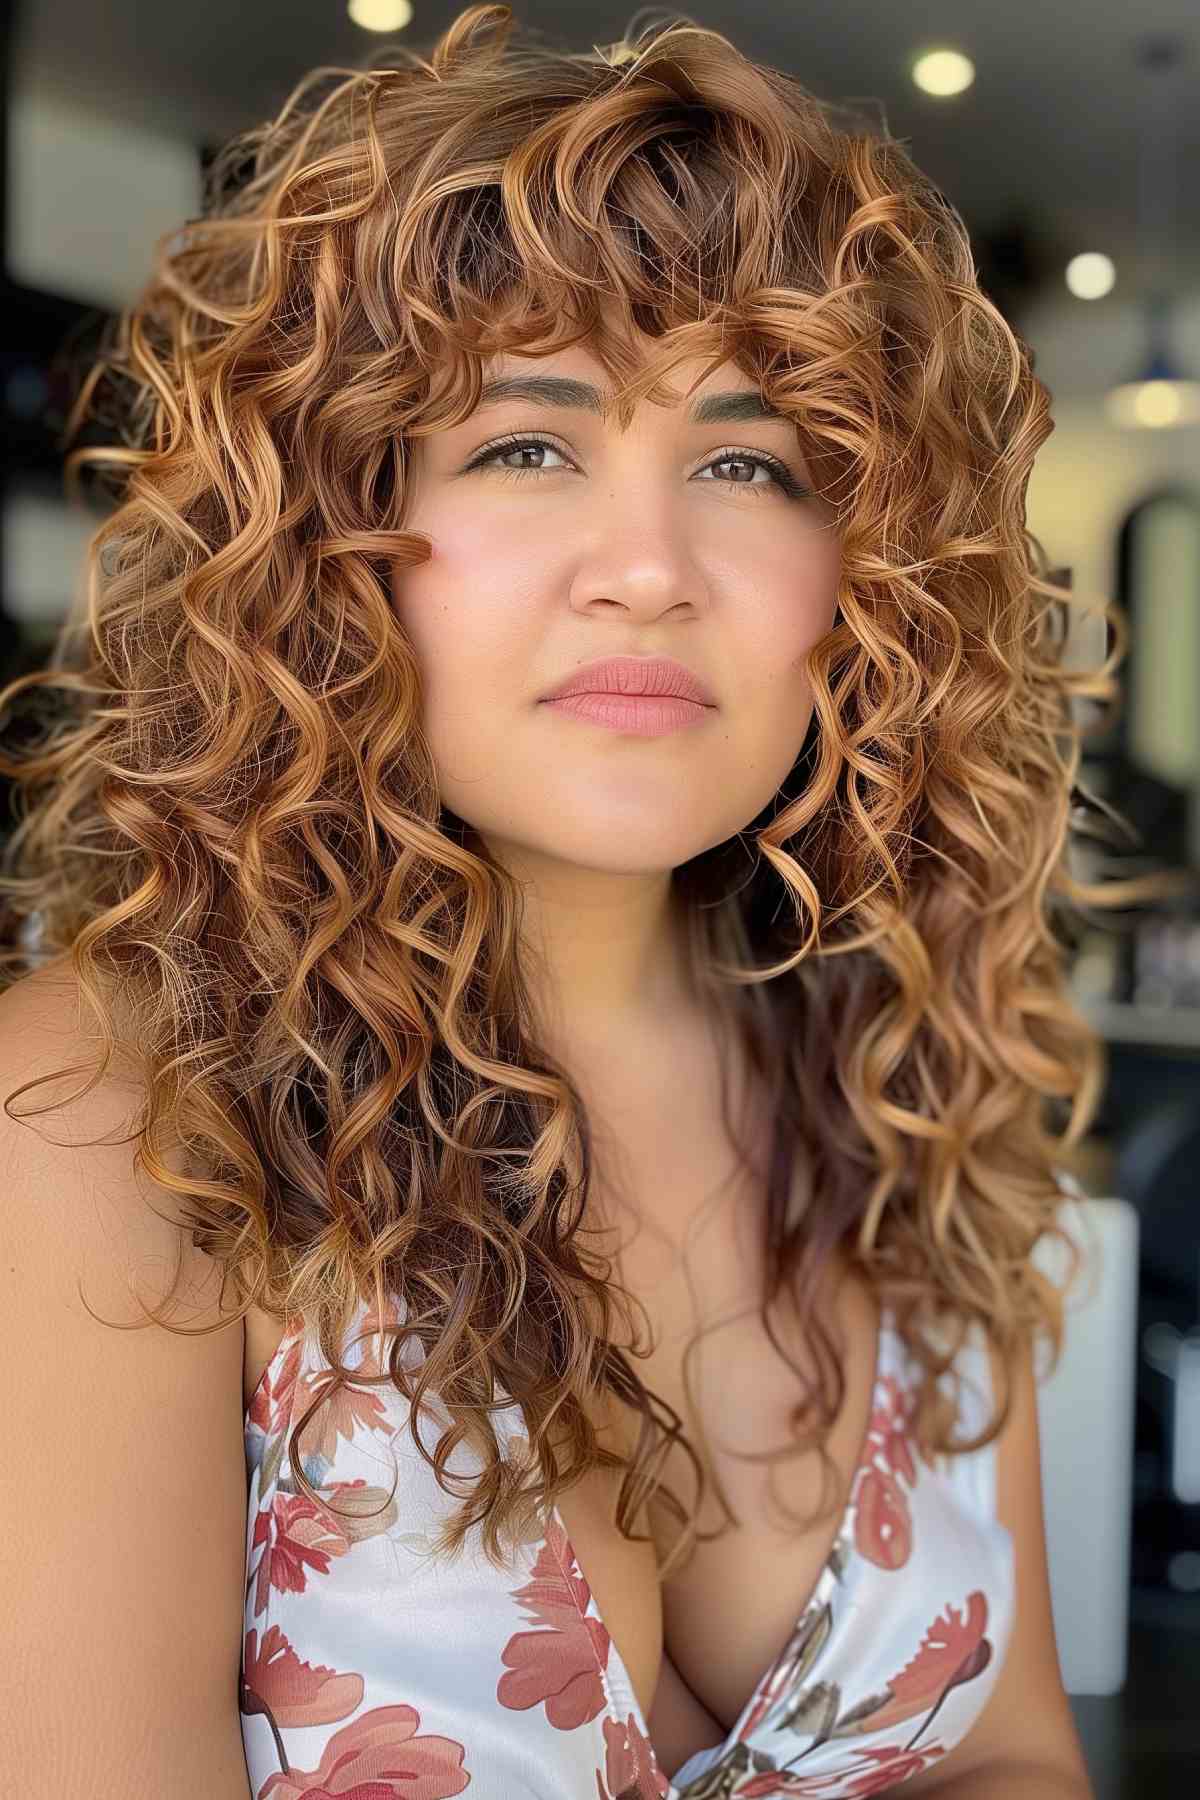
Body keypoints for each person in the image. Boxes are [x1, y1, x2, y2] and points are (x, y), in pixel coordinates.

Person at [2, 7, 1176, 1796]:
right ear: (327, 544)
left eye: (747, 461)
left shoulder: (906, 1102)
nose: (648, 569)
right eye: (524, 448)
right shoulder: (102, 1126)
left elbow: (1002, 1759)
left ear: (864, 583)